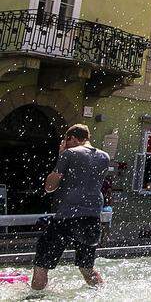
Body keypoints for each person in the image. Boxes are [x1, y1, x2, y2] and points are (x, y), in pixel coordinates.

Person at [30, 124, 109, 292]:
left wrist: (61, 155)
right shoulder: (104, 157)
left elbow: (50, 187)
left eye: (67, 140)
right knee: (86, 267)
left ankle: (35, 296)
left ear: (72, 138)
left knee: (42, 264)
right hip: (92, 217)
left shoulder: (69, 153)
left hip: (67, 217)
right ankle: (103, 293)